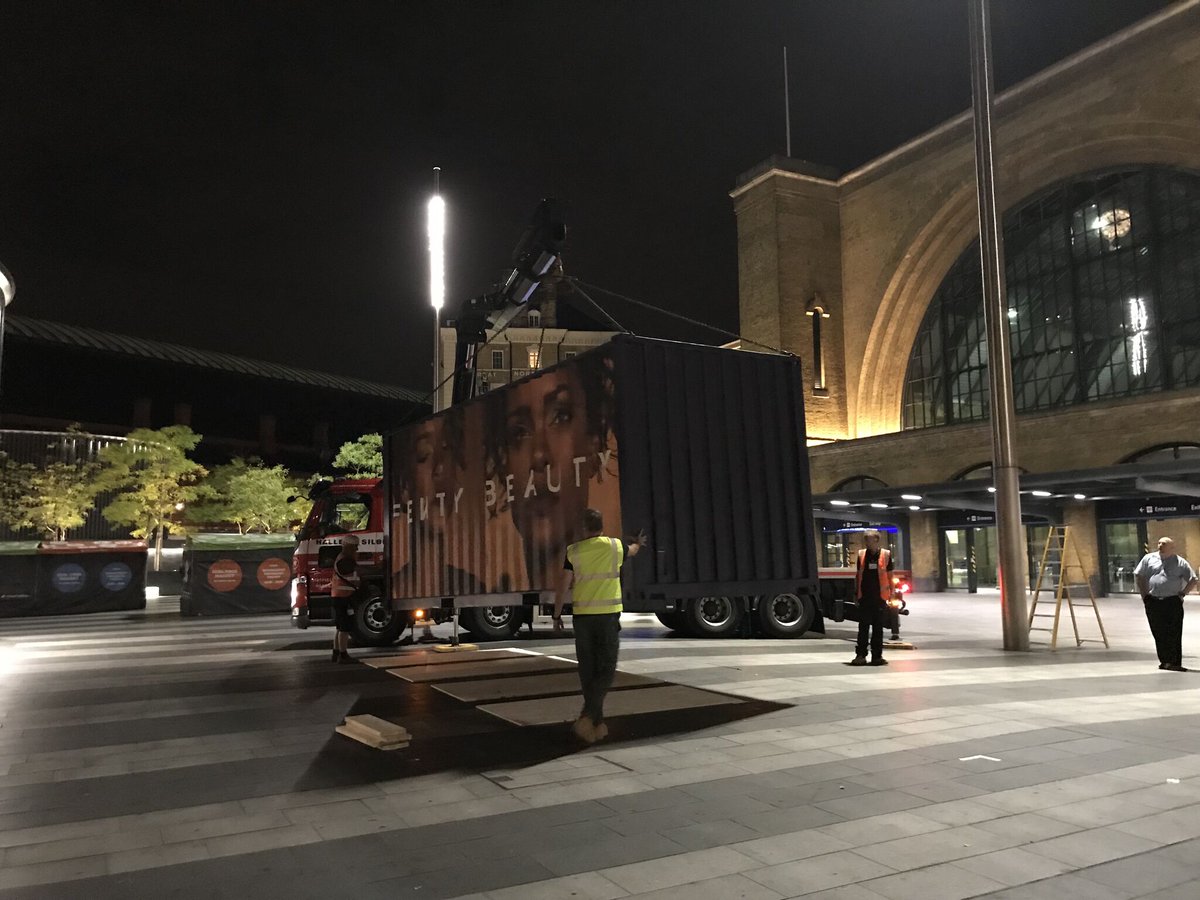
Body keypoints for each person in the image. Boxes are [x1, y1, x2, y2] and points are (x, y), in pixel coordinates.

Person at [553, 508, 645, 743]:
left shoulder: (573, 551)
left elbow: (563, 585)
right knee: (607, 668)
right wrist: (638, 543)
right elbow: (633, 551)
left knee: (588, 669)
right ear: (601, 525)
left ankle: (595, 722)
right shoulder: (615, 546)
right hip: (607, 617)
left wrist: (556, 614)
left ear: (584, 528)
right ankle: (590, 717)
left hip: (583, 617)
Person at [1134, 536, 1196, 672]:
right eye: (1159, 543)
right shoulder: (1148, 559)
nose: (1160, 545)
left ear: (1172, 547)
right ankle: (1164, 661)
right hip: (1153, 600)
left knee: (1173, 631)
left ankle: (1174, 662)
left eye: (1164, 543)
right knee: (1158, 631)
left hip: (1172, 601)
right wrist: (1144, 595)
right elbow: (1139, 575)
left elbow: (1193, 579)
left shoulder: (1180, 562)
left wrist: (1183, 593)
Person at [851, 531, 894, 667]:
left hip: (879, 598)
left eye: (869, 540)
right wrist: (856, 594)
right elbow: (858, 576)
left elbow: (890, 576)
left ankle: (877, 656)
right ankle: (860, 655)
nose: (867, 543)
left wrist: (891, 594)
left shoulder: (886, 555)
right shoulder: (861, 554)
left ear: (876, 540)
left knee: (878, 628)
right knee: (863, 628)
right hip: (865, 597)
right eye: (866, 540)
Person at [330, 534, 360, 663]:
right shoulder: (345, 560)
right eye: (355, 546)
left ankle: (336, 652)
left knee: (339, 626)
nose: (357, 549)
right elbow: (349, 571)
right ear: (349, 546)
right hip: (344, 597)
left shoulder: (341, 557)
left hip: (338, 596)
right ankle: (343, 655)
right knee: (345, 627)